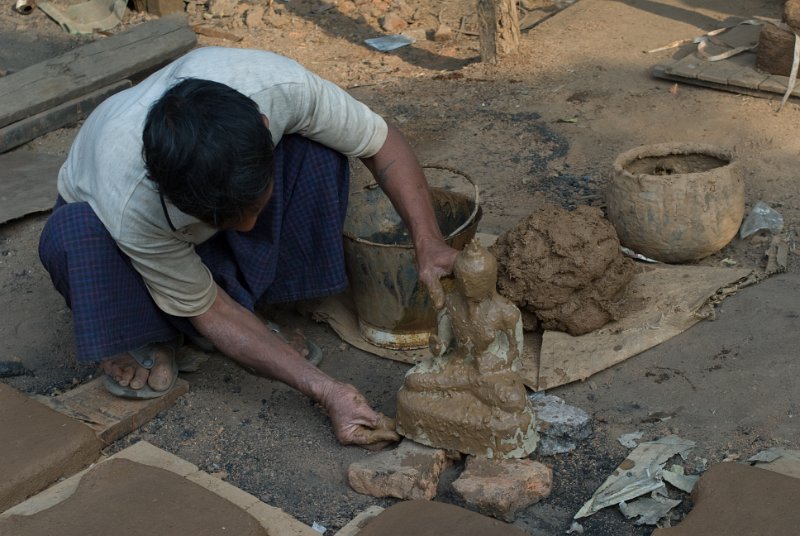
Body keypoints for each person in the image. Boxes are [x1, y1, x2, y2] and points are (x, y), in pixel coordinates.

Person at [38, 46, 458, 447]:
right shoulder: (131, 200)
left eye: (256, 206)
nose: (251, 225)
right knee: (75, 234)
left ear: (262, 125)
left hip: (196, 221)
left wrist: (429, 242)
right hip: (109, 237)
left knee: (319, 149)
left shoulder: (278, 87)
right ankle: (148, 332)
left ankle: (250, 309)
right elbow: (210, 311)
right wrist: (328, 391)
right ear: (165, 191)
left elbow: (380, 142)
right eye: (223, 218)